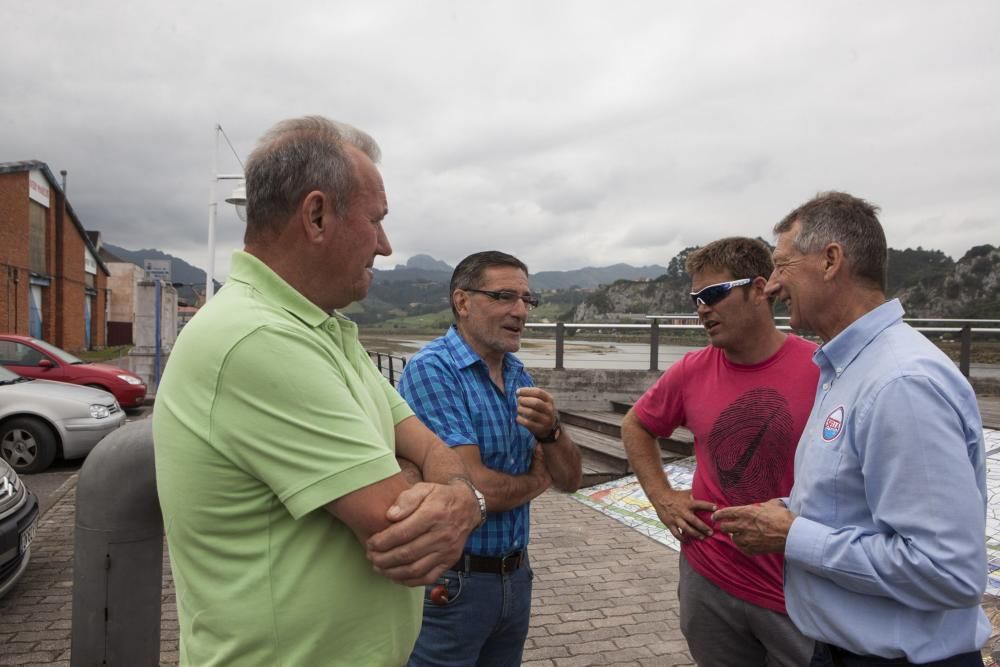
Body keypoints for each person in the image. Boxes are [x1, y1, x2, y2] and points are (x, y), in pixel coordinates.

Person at [153, 116, 483, 667]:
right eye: (375, 221)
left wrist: (456, 495)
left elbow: (427, 446)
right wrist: (448, 487)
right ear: (316, 215)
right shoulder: (258, 338)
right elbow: (398, 526)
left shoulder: (327, 331)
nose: (385, 244)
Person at [714, 192, 990, 666]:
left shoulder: (901, 383)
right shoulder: (847, 368)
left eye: (782, 265)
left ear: (830, 261)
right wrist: (784, 511)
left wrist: (792, 535)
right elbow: (858, 502)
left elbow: (948, 570)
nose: (773, 285)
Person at [621, 237, 820, 666]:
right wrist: (662, 498)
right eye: (696, 298)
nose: (702, 308)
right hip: (710, 578)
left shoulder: (821, 368)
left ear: (759, 289)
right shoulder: (692, 370)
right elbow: (636, 425)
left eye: (713, 294)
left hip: (797, 586)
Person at [396, 250, 583, 666]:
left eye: (526, 300)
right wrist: (537, 481)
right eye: (503, 297)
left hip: (516, 577)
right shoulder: (433, 370)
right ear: (462, 303)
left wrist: (553, 431)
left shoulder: (519, 374)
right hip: (454, 584)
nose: (521, 310)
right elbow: (469, 485)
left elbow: (571, 479)